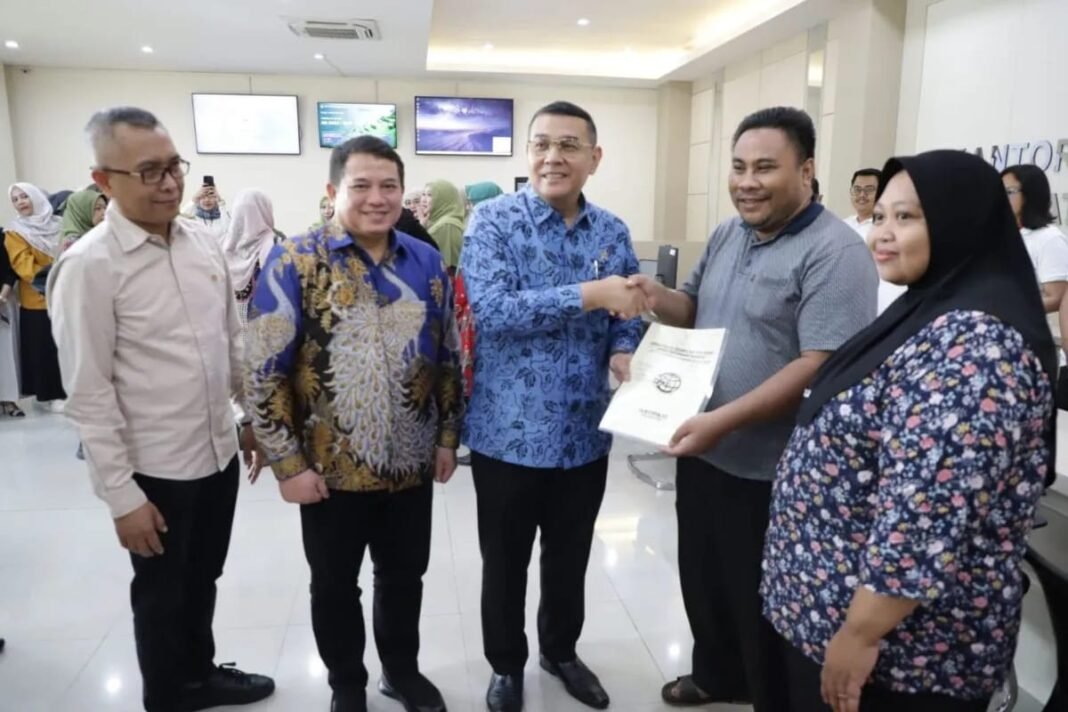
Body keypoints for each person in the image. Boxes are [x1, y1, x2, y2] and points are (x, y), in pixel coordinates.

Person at [762, 149, 1057, 712]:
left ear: (960, 222)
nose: (883, 233)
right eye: (880, 217)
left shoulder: (978, 347)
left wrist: (860, 633)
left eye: (907, 217)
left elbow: (925, 515)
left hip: (901, 660)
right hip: (834, 619)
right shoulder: (929, 310)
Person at [627, 107, 876, 712]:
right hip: (702, 449)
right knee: (704, 577)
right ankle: (716, 675)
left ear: (806, 170)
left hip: (773, 471)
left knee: (759, 598)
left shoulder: (835, 252)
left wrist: (722, 420)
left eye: (765, 167)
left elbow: (820, 363)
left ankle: (761, 692)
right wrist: (654, 297)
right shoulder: (727, 233)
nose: (747, 182)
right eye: (738, 167)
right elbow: (692, 307)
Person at [47, 106, 275, 712]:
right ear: (103, 180)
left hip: (216, 451)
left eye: (174, 167)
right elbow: (88, 394)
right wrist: (122, 498)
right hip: (155, 469)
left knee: (203, 577)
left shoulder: (201, 243)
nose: (170, 183)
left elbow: (231, 343)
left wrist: (249, 418)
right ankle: (168, 696)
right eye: (149, 171)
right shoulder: (89, 266)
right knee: (161, 593)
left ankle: (199, 675)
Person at [245, 135, 463, 712]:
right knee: (334, 584)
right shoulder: (294, 260)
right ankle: (346, 683)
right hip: (327, 471)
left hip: (411, 462)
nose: (377, 198)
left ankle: (401, 672)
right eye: (361, 185)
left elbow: (448, 353)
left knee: (404, 577)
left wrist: (447, 437)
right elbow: (262, 370)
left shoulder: (425, 261)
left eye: (389, 186)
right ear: (332, 190)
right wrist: (287, 465)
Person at [460, 101, 645, 712]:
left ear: (594, 157)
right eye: (541, 144)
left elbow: (627, 314)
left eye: (568, 145)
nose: (552, 157)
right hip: (507, 435)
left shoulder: (612, 232)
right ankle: (505, 665)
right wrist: (588, 294)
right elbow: (493, 311)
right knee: (505, 563)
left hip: (584, 434)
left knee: (569, 559)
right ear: (527, 153)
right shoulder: (493, 222)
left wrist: (624, 349)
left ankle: (560, 652)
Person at [5, 183, 66, 412]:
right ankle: (49, 396)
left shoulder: (60, 224)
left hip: (65, 297)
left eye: (24, 196)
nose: (21, 202)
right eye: (15, 199)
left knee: (65, 347)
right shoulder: (15, 232)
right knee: (45, 350)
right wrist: (59, 274)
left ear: (37, 197)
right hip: (37, 301)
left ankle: (69, 391)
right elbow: (24, 266)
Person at [455, 181, 504, 467]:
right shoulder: (470, 226)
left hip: (480, 318)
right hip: (469, 315)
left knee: (477, 379)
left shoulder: (495, 231)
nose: (470, 208)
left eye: (474, 202)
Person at [1002, 164, 1068, 313]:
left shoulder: (1049, 238)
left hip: (1028, 324)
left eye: (1009, 192)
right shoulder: (1001, 235)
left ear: (1030, 194)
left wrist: (1008, 310)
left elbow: (1058, 298)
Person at [842, 168, 905, 314]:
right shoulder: (842, 225)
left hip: (879, 301)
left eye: (869, 190)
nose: (862, 195)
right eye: (857, 189)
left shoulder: (890, 227)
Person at [221, 189, 281, 330]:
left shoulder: (274, 244)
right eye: (241, 214)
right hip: (236, 331)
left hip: (254, 328)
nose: (245, 220)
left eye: (248, 214)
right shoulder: (226, 245)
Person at [423, 180, 466, 274]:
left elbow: (447, 266)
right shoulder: (437, 222)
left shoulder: (446, 226)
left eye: (429, 195)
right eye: (423, 194)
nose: (423, 200)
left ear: (443, 199)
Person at [0, 230, 20, 417]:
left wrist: (2, 297)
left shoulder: (2, 236)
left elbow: (10, 271)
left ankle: (8, 399)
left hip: (2, 302)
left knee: (5, 354)